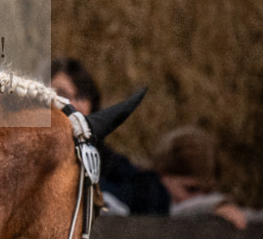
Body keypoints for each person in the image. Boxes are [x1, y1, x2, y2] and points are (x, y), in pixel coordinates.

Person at [42, 56, 170, 216]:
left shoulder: (103, 158)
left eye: (81, 96)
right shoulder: (25, 155)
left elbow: (154, 196)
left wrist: (95, 190)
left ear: (92, 105)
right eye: (60, 94)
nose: (71, 104)